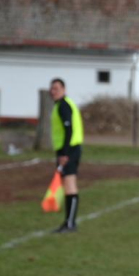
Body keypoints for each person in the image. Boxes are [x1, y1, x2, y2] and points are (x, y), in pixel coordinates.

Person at [49, 78, 84, 233]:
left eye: (56, 88)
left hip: (69, 150)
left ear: (63, 89)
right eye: (52, 88)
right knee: (68, 184)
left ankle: (70, 223)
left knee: (70, 185)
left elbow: (68, 130)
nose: (53, 91)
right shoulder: (63, 104)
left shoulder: (63, 106)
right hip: (69, 149)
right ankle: (69, 222)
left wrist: (64, 153)